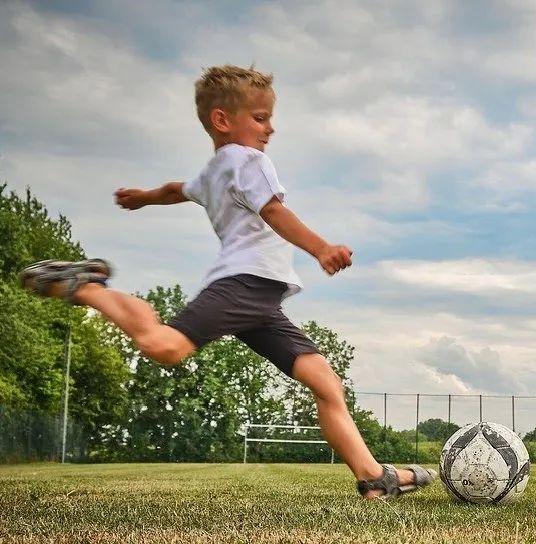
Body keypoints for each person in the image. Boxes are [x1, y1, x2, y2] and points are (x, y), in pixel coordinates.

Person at [19, 65, 436, 499]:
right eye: (259, 118)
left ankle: (375, 479)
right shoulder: (248, 160)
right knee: (165, 345)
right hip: (244, 285)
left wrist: (143, 198)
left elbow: (175, 189)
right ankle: (84, 286)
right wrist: (321, 248)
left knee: (325, 381)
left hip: (261, 299)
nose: (270, 129)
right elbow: (274, 212)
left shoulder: (214, 170)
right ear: (222, 120)